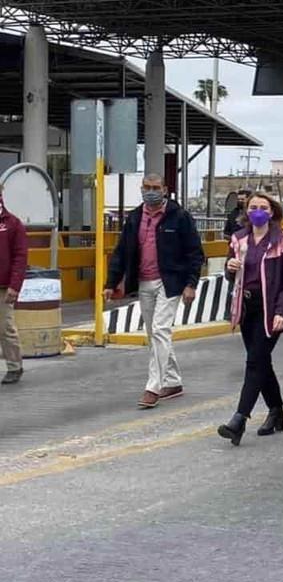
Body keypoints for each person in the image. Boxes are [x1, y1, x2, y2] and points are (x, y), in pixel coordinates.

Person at [104, 173, 204, 408]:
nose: (151, 192)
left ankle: (153, 386)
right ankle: (173, 381)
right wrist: (111, 283)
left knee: (160, 330)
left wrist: (191, 284)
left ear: (165, 189)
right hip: (144, 282)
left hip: (170, 282)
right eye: (147, 187)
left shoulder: (179, 217)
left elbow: (195, 253)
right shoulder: (135, 217)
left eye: (155, 187)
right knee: (155, 334)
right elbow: (121, 252)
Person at [217, 192, 283, 444]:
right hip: (247, 307)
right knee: (261, 361)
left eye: (263, 207)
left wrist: (282, 311)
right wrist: (230, 268)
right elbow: (231, 274)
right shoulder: (239, 239)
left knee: (254, 361)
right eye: (253, 207)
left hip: (270, 309)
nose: (258, 211)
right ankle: (276, 410)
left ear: (272, 211)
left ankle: (239, 419)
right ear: (246, 211)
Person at [0, 190, 29, 385]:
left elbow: (20, 257)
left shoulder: (12, 224)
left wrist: (14, 286)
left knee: (5, 327)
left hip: (3, 286)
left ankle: (14, 366)